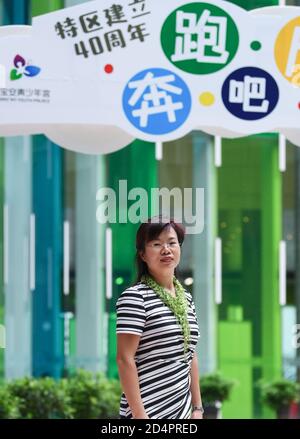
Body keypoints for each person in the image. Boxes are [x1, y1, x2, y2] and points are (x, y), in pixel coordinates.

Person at [116, 216, 203, 419]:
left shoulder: (186, 299)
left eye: (172, 243)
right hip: (148, 411)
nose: (166, 249)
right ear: (143, 254)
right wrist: (140, 416)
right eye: (156, 244)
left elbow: (190, 355)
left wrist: (197, 408)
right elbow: (124, 359)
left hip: (182, 412)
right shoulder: (135, 297)